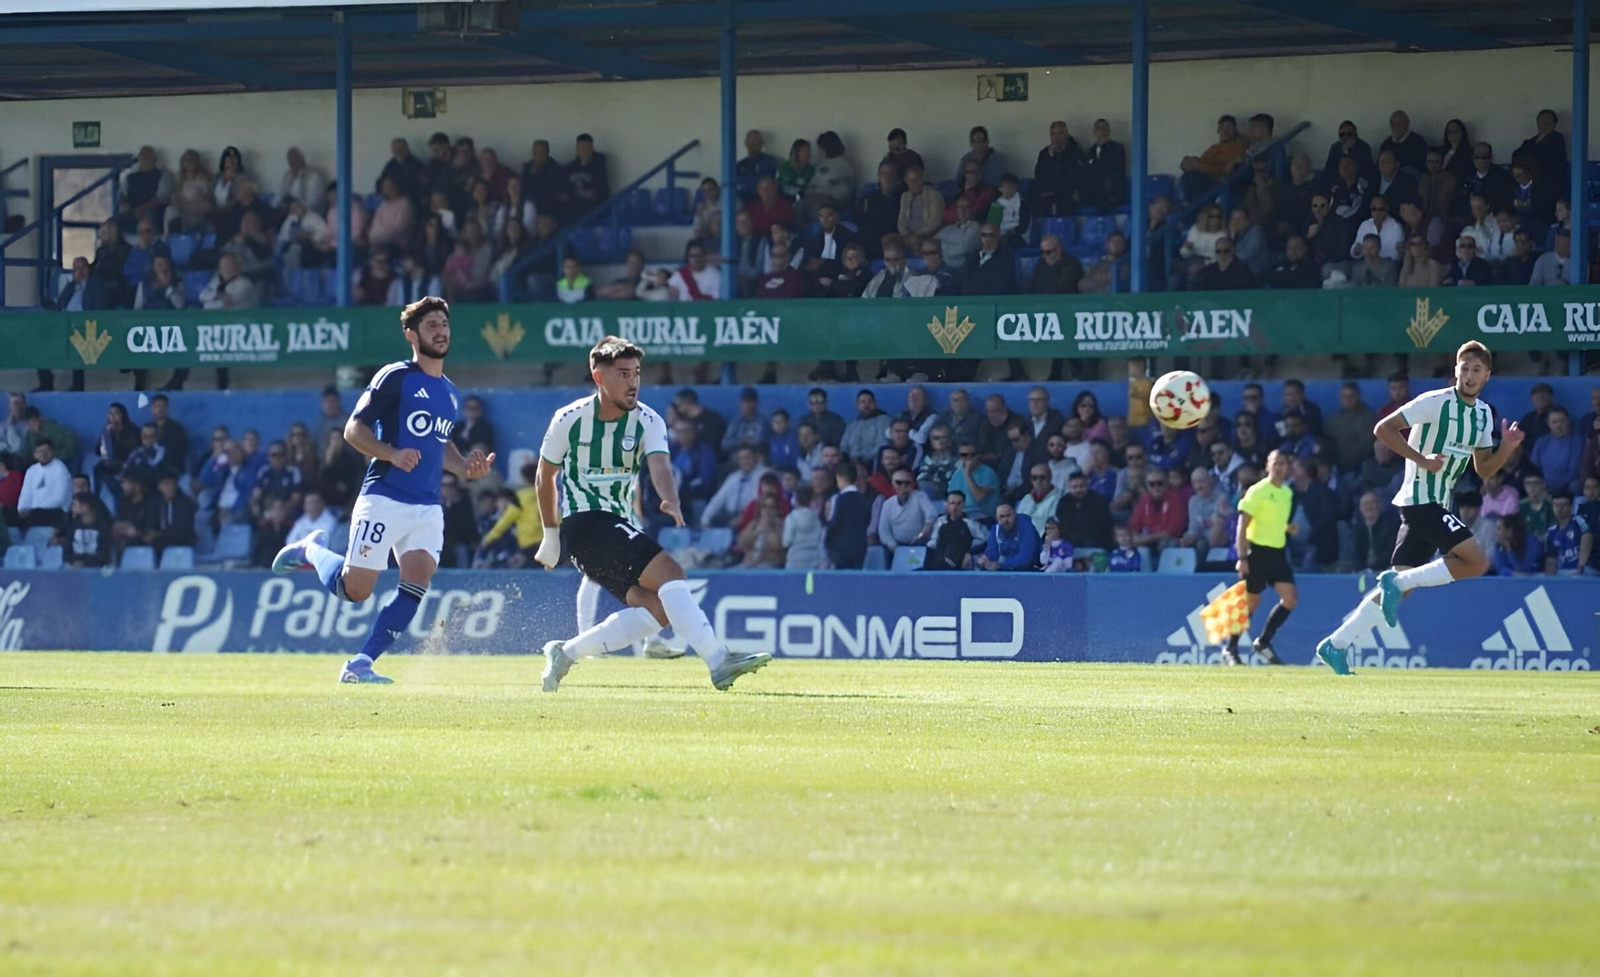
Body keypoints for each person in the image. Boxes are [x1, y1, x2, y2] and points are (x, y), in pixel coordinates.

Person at [271, 298, 495, 684]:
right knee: (355, 590)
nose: (441, 331)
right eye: (431, 326)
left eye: (444, 324)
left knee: (417, 581)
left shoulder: (449, 391)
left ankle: (361, 663)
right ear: (411, 335)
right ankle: (309, 549)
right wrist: (391, 453)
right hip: (385, 496)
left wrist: (465, 468)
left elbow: (439, 444)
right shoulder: (395, 376)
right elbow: (353, 429)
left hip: (427, 505)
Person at [533, 336, 770, 690]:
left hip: (619, 522)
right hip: (584, 523)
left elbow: (660, 467)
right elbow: (544, 476)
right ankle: (719, 660)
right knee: (672, 573)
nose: (633, 382)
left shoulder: (648, 420)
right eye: (623, 374)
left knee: (658, 610)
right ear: (599, 377)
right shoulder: (569, 419)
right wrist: (551, 534)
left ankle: (565, 653)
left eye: (637, 373)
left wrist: (670, 499)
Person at [1316, 341, 1523, 675]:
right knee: (1477, 561)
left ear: (1487, 375)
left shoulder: (1484, 414)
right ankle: (1395, 583)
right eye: (1465, 369)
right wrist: (1421, 459)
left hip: (1436, 503)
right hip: (1419, 499)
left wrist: (1508, 448)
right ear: (1455, 371)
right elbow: (1383, 429)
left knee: (1402, 587)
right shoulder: (1435, 402)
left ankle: (1336, 645)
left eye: (1477, 370)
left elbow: (1484, 469)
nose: (1469, 376)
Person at [1222, 449, 1300, 666]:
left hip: (1277, 552)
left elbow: (1272, 521)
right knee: (1251, 603)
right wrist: (1242, 556)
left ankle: (1263, 642)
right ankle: (1230, 648)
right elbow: (1243, 525)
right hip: (1256, 552)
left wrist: (1287, 528)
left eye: (1283, 463)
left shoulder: (1287, 493)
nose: (1279, 467)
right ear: (1267, 466)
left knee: (1290, 599)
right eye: (1275, 463)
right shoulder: (1257, 491)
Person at [17, 440, 71, 531]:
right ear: (35, 454)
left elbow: (60, 498)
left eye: (46, 451)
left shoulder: (60, 469)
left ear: (52, 452)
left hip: (55, 512)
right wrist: (21, 508)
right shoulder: (31, 470)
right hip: (34, 513)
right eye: (39, 452)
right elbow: (26, 493)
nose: (43, 454)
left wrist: (37, 509)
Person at [922, 492, 983, 571]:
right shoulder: (940, 521)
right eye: (952, 503)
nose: (955, 507)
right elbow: (933, 541)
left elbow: (981, 540)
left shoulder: (970, 523)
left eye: (958, 503)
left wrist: (968, 551)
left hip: (961, 560)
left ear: (963, 505)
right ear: (947, 505)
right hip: (940, 558)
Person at [977, 503, 1040, 571]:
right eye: (1002, 516)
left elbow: (1025, 557)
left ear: (1015, 514)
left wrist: (1001, 565)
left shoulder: (1026, 526)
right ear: (996, 518)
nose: (1006, 519)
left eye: (1008, 515)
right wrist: (985, 558)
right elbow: (992, 552)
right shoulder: (995, 529)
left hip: (1032, 569)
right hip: (1007, 569)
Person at [1544, 493, 1591, 575]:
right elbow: (1551, 557)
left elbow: (1588, 536)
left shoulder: (1579, 521)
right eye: (1556, 505)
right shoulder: (1551, 531)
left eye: (1563, 505)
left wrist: (1581, 566)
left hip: (1582, 571)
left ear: (1571, 506)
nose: (1559, 508)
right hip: (1561, 573)